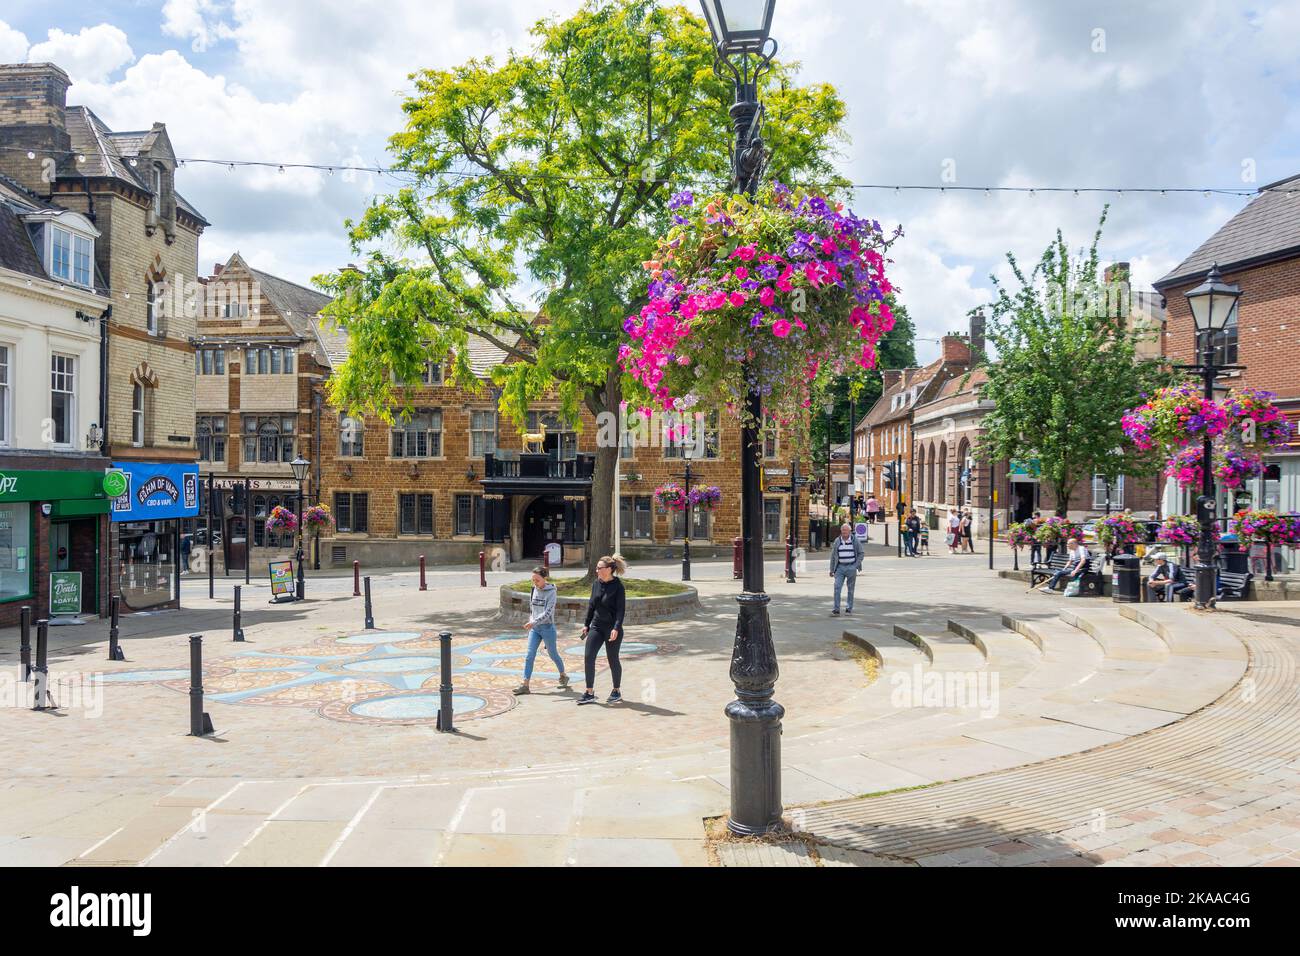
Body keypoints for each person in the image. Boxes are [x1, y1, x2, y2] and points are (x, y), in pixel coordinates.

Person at [578, 555, 626, 705]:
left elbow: (620, 610)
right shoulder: (596, 584)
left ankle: (616, 690)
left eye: (600, 568)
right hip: (597, 626)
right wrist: (586, 624)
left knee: (613, 659)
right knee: (588, 656)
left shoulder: (618, 586)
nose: (597, 570)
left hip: (612, 628)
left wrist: (616, 628)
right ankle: (589, 692)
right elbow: (592, 605)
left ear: (610, 569)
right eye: (597, 567)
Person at [513, 566, 569, 695]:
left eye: (537, 580)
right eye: (533, 580)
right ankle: (525, 684)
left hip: (547, 628)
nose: (535, 583)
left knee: (553, 654)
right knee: (529, 655)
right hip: (535, 629)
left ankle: (563, 675)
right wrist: (532, 621)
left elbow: (548, 612)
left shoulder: (552, 592)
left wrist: (533, 621)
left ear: (545, 578)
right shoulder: (534, 590)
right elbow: (532, 609)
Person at [829, 522, 864, 615]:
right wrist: (831, 569)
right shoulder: (837, 541)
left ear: (850, 531)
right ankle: (836, 609)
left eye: (846, 530)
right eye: (842, 530)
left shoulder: (855, 540)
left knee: (850, 589)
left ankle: (849, 608)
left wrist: (856, 565)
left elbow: (861, 553)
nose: (844, 532)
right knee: (837, 587)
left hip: (851, 566)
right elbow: (833, 556)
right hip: (839, 567)